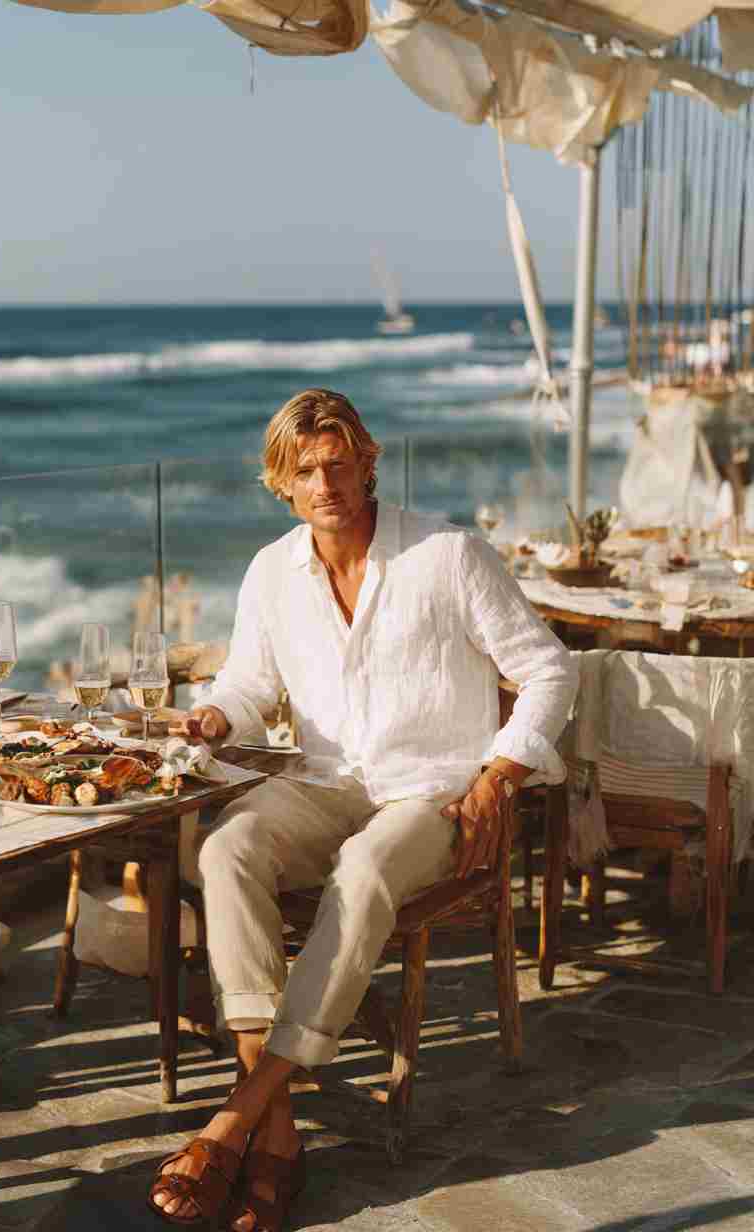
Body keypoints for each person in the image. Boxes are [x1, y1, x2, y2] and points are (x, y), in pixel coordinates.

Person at [149, 389, 578, 1231]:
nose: (326, 484)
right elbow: (247, 685)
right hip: (324, 783)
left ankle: (234, 1125)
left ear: (367, 462)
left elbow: (550, 670)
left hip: (434, 793)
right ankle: (273, 1129)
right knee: (227, 848)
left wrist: (499, 776)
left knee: (367, 867)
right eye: (306, 470)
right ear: (281, 483)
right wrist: (214, 718)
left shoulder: (449, 555)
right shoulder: (272, 572)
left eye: (339, 463)